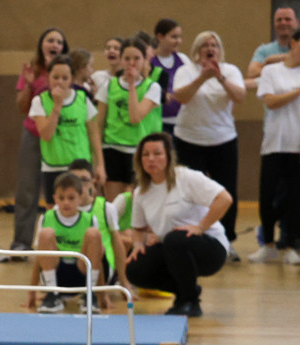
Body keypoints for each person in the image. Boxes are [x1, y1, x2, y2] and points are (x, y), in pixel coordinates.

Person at [126, 133, 232, 317]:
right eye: (146, 154)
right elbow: (138, 228)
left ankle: (190, 302)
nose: (151, 158)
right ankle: (186, 292)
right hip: (172, 249)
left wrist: (200, 227)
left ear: (168, 156)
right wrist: (137, 244)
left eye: (157, 153)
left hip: (210, 247)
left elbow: (224, 199)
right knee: (135, 268)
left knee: (174, 240)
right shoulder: (141, 191)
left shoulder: (186, 177)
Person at [172, 31, 246, 259]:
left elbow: (240, 96)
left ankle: (228, 240)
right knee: (190, 191)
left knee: (227, 190)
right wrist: (202, 78)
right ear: (197, 50)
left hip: (222, 139)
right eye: (205, 44)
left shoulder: (231, 70)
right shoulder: (186, 70)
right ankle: (193, 235)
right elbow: (181, 97)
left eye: (214, 44)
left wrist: (220, 77)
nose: (210, 47)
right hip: (188, 139)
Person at [250, 28, 300, 264]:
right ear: (293, 43)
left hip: (297, 143)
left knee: (295, 197)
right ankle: (268, 243)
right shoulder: (271, 71)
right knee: (268, 195)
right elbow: (271, 102)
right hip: (273, 143)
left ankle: (290, 245)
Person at [13, 27, 68, 252]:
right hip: (33, 135)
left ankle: (64, 242)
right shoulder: (31, 69)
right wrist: (28, 84)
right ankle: (21, 243)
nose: (54, 44)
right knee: (27, 189)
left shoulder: (67, 70)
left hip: (60, 136)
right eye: (50, 40)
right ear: (41, 44)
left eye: (59, 41)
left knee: (63, 190)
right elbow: (21, 107)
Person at [29, 54, 104, 201]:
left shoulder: (82, 99)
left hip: (80, 167)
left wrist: (100, 164)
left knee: (84, 209)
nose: (59, 82)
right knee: (55, 213)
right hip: (53, 167)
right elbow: (46, 135)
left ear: (71, 79)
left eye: (64, 78)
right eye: (55, 77)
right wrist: (57, 105)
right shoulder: (40, 101)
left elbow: (93, 133)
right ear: (48, 77)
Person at [96, 37, 162, 201]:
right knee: (113, 207)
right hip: (112, 150)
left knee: (138, 205)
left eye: (136, 58)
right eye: (127, 58)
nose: (131, 63)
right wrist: (98, 162)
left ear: (144, 60)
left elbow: (135, 117)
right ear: (121, 60)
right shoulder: (109, 85)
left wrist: (132, 85)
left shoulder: (152, 87)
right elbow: (98, 126)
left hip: (139, 152)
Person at [27, 172, 104, 313]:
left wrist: (103, 296)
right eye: (61, 198)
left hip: (81, 274)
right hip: (57, 273)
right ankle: (52, 295)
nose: (66, 202)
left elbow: (97, 258)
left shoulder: (90, 220)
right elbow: (39, 258)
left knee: (94, 234)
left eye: (71, 198)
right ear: (54, 198)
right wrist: (31, 291)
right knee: (46, 234)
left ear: (80, 198)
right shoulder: (46, 218)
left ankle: (89, 294)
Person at [69, 158, 132, 308]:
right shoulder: (60, 210)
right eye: (74, 180)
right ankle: (53, 292)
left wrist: (124, 281)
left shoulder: (106, 208)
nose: (79, 185)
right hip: (72, 266)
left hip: (101, 269)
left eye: (84, 180)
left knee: (94, 239)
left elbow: (117, 243)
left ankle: (94, 294)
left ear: (92, 182)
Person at [151, 19, 190, 135]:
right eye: (174, 37)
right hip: (158, 122)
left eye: (180, 37)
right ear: (160, 37)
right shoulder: (150, 61)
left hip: (181, 122)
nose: (178, 41)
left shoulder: (183, 59)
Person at [246, 7, 300, 88]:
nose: (283, 23)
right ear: (274, 24)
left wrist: (271, 62)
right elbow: (252, 72)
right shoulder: (264, 50)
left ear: (297, 23)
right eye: (279, 20)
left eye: (288, 19)